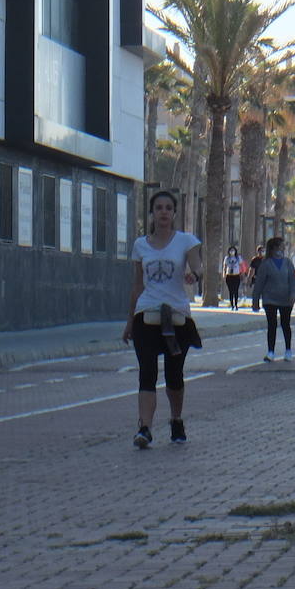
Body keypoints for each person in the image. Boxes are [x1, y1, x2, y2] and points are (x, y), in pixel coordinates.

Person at [122, 190, 203, 449]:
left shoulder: (185, 241)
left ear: (175, 213)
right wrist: (129, 321)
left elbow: (197, 266)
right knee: (147, 372)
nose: (164, 212)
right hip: (147, 314)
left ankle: (176, 419)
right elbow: (136, 285)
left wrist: (194, 275)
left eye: (169, 208)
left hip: (176, 316)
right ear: (152, 213)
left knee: (174, 375)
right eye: (159, 208)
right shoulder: (140, 245)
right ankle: (144, 428)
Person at [253, 235, 295, 361]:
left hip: (285, 300)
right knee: (271, 325)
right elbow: (259, 283)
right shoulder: (266, 264)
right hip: (269, 299)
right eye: (280, 246)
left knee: (285, 324)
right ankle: (271, 352)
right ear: (273, 248)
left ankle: (288, 350)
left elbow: (292, 280)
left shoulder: (288, 263)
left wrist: (293, 294)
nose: (282, 249)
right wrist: (255, 300)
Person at [223, 244, 246, 309]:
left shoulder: (238, 258)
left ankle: (236, 304)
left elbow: (242, 266)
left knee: (236, 290)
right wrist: (224, 274)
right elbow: (224, 266)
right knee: (231, 291)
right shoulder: (227, 258)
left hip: (236, 276)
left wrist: (243, 274)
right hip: (229, 276)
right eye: (231, 250)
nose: (232, 252)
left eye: (233, 250)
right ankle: (232, 304)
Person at [247, 244, 266, 311]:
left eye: (263, 251)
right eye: (260, 251)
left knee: (265, 293)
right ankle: (255, 306)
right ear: (258, 252)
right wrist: (249, 279)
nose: (262, 252)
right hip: (257, 278)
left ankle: (266, 306)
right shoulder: (255, 260)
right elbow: (251, 269)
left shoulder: (267, 259)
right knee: (256, 293)